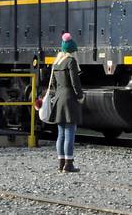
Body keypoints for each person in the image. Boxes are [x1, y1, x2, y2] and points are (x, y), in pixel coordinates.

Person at [50, 32, 84, 173]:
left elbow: (52, 84)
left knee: (61, 133)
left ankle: (61, 163)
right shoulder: (71, 61)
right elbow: (75, 82)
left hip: (58, 98)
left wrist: (56, 94)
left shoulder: (57, 63)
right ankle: (69, 164)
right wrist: (80, 95)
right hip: (69, 99)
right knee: (70, 131)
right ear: (73, 50)